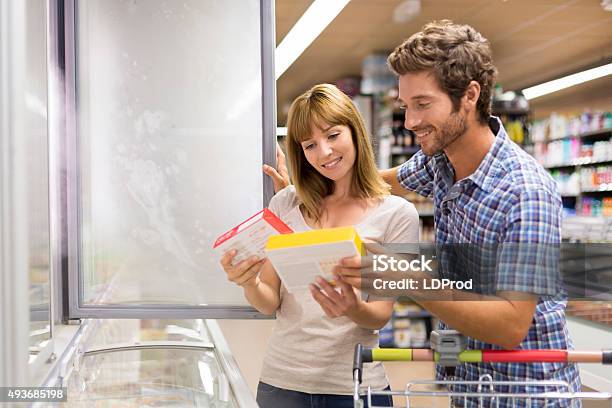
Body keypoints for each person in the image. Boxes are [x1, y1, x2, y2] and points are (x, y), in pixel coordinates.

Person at [265, 21, 581, 408]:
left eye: (423, 104)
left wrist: (405, 276)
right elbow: (379, 180)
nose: (411, 121)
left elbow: (511, 325)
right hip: (469, 380)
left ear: (469, 96)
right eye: (405, 106)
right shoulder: (441, 161)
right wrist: (308, 184)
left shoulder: (524, 192)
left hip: (523, 392)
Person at [221, 84, 419, 408]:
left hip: (355, 389)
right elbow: (269, 302)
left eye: (333, 135)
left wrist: (352, 307)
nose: (324, 153)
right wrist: (249, 282)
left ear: (354, 130)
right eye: (310, 145)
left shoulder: (397, 215)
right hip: (281, 384)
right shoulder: (285, 202)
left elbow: (380, 315)